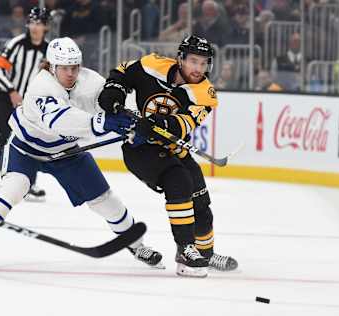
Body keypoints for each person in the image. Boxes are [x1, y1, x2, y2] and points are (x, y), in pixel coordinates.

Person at [0, 37, 163, 270]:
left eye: (75, 67)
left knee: (105, 200)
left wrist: (135, 121)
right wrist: (103, 121)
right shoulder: (41, 87)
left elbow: (109, 101)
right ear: (51, 67)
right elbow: (62, 121)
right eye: (64, 67)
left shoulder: (90, 80)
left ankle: (136, 245)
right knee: (13, 189)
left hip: (66, 152)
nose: (71, 73)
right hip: (27, 149)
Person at [98, 35, 238, 277]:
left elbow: (184, 123)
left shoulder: (205, 93)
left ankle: (204, 254)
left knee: (201, 204)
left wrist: (156, 123)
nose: (199, 68)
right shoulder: (152, 65)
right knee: (178, 182)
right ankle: (185, 251)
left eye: (204, 63)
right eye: (194, 61)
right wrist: (115, 91)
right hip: (139, 148)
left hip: (174, 147)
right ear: (181, 58)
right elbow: (122, 72)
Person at [0, 6, 49, 201]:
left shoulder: (49, 51)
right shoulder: (15, 45)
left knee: (31, 139)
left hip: (29, 103)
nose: (35, 27)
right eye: (32, 22)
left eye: (39, 23)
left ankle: (28, 183)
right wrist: (12, 91)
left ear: (46, 26)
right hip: (6, 96)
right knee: (7, 136)